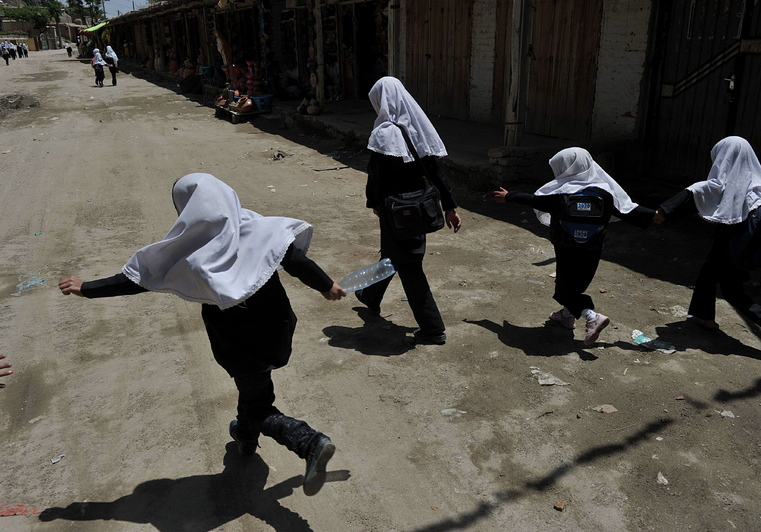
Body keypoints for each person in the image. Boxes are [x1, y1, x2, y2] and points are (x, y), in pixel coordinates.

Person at [58, 173, 347, 496]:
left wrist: (88, 289)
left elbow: (140, 279)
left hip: (240, 346)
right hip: (277, 330)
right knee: (253, 390)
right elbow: (295, 259)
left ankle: (308, 441)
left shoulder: (191, 252)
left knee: (257, 401)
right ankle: (245, 437)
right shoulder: (258, 227)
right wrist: (326, 285)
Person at [494, 147, 654, 346]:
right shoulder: (606, 194)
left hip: (566, 246)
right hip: (593, 247)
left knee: (563, 289)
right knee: (577, 284)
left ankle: (592, 316)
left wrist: (509, 196)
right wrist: (656, 215)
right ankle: (567, 316)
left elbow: (535, 200)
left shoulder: (561, 193)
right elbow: (627, 211)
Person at [654, 136, 761, 357]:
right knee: (711, 275)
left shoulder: (728, 187)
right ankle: (705, 318)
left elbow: (700, 191)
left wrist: (664, 211)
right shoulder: (756, 190)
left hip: (735, 243)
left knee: (729, 288)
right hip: (744, 247)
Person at [356, 76, 462, 345]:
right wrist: (449, 206)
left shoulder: (384, 133)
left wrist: (374, 205)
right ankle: (370, 296)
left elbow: (376, 177)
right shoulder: (417, 127)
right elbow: (437, 172)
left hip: (395, 212)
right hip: (422, 208)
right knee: (396, 256)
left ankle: (433, 329)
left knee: (410, 267)